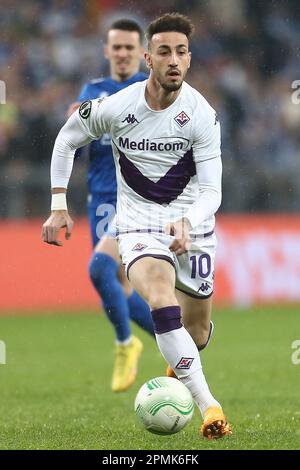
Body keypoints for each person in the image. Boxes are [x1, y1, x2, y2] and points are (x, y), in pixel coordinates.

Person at [42, 12, 232, 439]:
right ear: (149, 57)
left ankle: (180, 356)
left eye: (181, 52)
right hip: (137, 224)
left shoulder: (202, 114)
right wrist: (58, 204)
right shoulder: (118, 106)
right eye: (164, 51)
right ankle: (210, 407)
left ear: (189, 58)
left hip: (193, 226)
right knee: (161, 302)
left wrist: (189, 221)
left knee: (196, 330)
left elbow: (212, 192)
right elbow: (67, 137)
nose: (173, 61)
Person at [67, 19, 155, 393]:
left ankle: (125, 345)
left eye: (129, 48)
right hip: (101, 200)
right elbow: (75, 141)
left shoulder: (150, 91)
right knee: (117, 286)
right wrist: (73, 122)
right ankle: (183, 342)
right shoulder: (93, 91)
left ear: (142, 53)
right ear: (107, 51)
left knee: (101, 268)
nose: (122, 53)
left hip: (138, 200)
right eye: (115, 47)